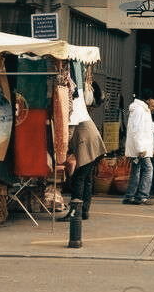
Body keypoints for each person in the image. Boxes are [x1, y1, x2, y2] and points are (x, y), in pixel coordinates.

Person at [57, 86, 105, 221]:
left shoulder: (72, 107)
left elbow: (69, 133)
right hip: (93, 143)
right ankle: (84, 211)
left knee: (78, 178)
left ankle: (75, 212)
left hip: (87, 144)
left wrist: (61, 150)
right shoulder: (78, 103)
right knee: (87, 179)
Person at [123, 96, 154, 205]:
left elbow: (148, 126)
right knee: (148, 170)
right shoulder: (140, 110)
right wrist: (140, 148)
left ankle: (130, 196)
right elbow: (136, 130)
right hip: (141, 149)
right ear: (147, 101)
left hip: (140, 148)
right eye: (153, 106)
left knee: (136, 171)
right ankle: (142, 196)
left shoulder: (142, 110)